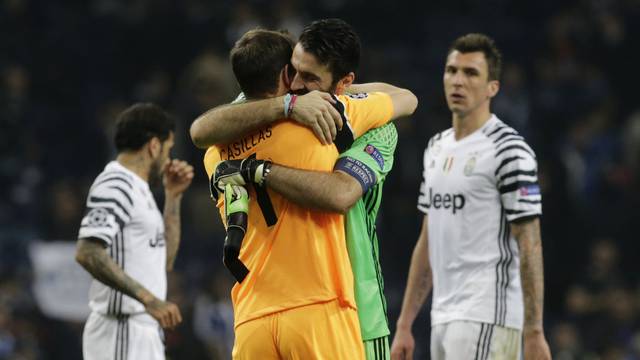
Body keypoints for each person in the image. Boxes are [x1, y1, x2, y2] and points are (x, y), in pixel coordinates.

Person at [196, 22, 417, 359]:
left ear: (343, 84)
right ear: (283, 73)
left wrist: (261, 167)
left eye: (311, 79)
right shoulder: (308, 113)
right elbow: (405, 98)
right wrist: (289, 107)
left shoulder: (219, 150)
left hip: (349, 307)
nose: (298, 86)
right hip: (323, 305)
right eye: (294, 73)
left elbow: (341, 193)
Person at [390, 33, 551, 360]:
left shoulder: (510, 151)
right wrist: (405, 323)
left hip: (489, 316)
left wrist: (534, 331)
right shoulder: (436, 147)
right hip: (443, 317)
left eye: (471, 73)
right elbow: (428, 238)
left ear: (493, 87)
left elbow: (530, 242)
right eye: (452, 71)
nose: (458, 81)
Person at [75, 103, 194, 360]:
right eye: (168, 148)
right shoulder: (116, 184)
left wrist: (173, 197)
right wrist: (148, 299)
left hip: (142, 330)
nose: (169, 158)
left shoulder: (139, 191)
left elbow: (166, 260)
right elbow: (87, 252)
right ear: (153, 145)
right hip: (120, 328)